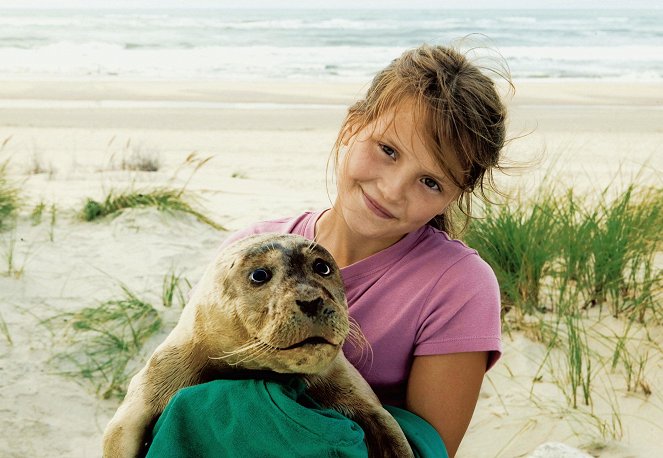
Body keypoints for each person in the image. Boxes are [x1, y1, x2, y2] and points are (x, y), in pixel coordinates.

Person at [152, 43, 507, 458]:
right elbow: (188, 376)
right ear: (352, 127)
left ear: (454, 196)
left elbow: (427, 446)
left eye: (430, 182)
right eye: (388, 150)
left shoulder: (459, 284)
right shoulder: (249, 251)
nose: (392, 190)